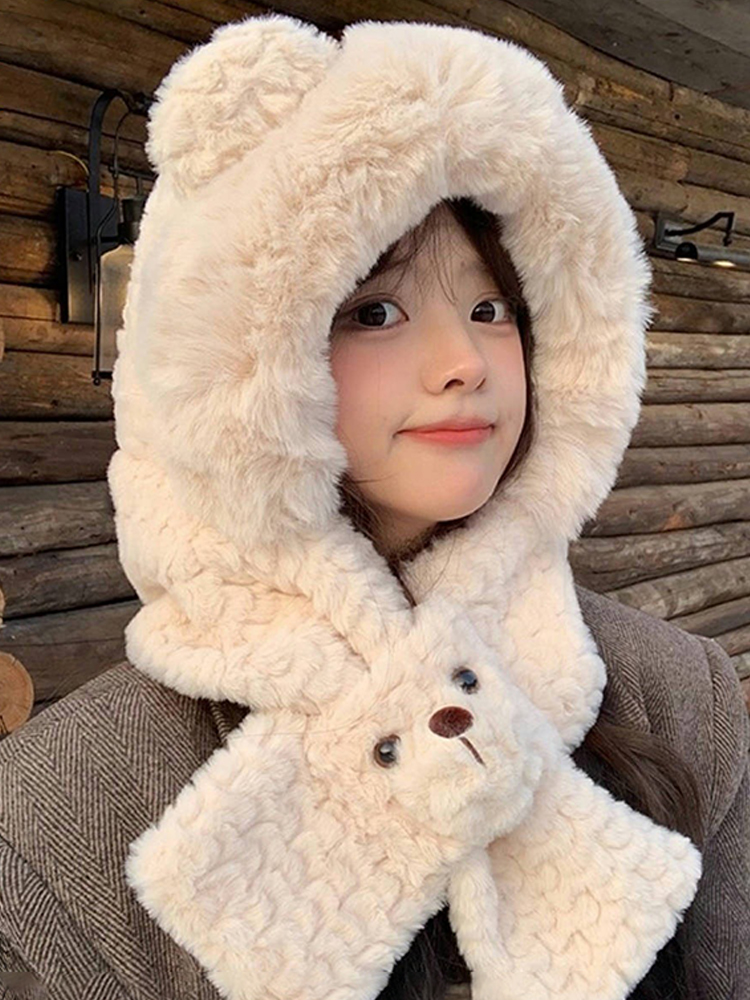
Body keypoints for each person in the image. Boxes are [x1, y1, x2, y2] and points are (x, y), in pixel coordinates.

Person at [0, 13, 748, 1000]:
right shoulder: (60, 810)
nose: (465, 362)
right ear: (239, 357)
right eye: (376, 312)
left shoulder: (681, 696)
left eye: (492, 308)